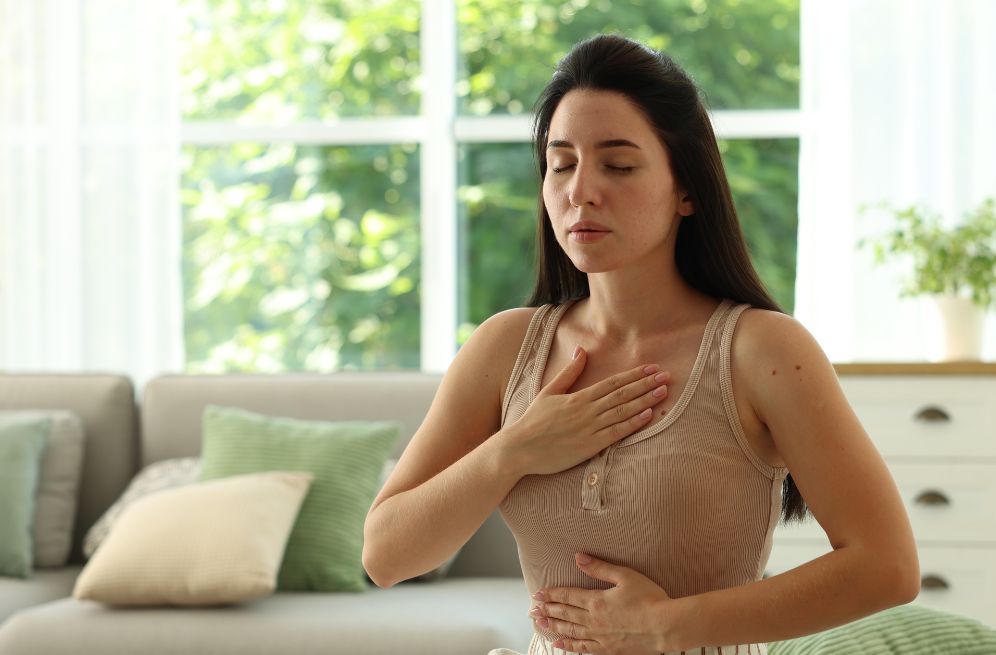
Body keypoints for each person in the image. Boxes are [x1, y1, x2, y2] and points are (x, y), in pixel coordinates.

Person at [362, 34, 919, 655]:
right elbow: (386, 556)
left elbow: (887, 567)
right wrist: (515, 449)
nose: (581, 191)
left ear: (687, 190)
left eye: (618, 166)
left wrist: (667, 626)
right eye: (561, 164)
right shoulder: (504, 348)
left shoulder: (762, 350)